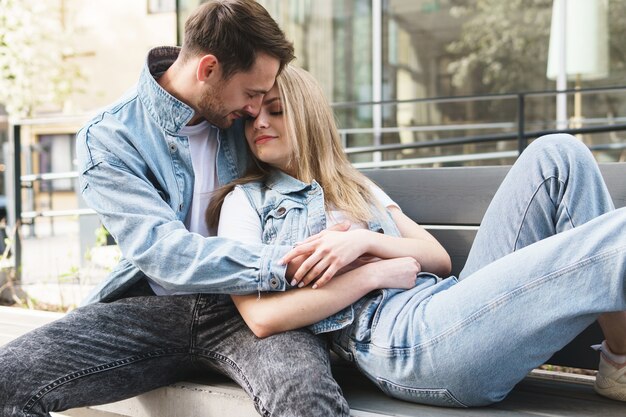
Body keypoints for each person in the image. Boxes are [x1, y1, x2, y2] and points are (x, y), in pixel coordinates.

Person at [0, 2, 352, 416]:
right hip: (149, 308)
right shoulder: (110, 137)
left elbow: (314, 157)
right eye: (252, 94)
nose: (257, 110)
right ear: (207, 70)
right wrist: (288, 264)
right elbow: (164, 253)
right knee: (7, 380)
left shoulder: (244, 121)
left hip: (252, 306)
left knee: (306, 400)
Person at [208, 64, 626, 407]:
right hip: (405, 343)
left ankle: (620, 363)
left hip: (447, 304)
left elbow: (436, 257)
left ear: (308, 115)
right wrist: (371, 276)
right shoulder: (245, 202)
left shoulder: (355, 185)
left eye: (276, 111)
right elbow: (260, 317)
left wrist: (365, 242)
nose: (259, 123)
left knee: (557, 154)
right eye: (250, 117)